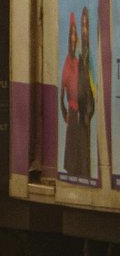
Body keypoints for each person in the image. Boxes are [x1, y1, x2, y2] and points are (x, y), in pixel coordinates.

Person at [60, 12, 82, 177]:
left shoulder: (78, 61)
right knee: (73, 145)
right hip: (73, 111)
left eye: (75, 34)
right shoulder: (67, 62)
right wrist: (64, 112)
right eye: (71, 34)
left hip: (80, 110)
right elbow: (61, 93)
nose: (73, 37)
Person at [79, 7, 96, 177]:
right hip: (80, 112)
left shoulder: (90, 55)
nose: (84, 30)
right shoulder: (80, 54)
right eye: (82, 25)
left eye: (87, 25)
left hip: (89, 111)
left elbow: (93, 84)